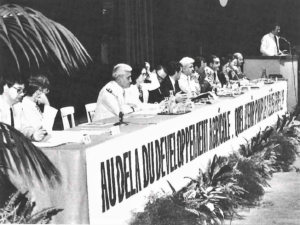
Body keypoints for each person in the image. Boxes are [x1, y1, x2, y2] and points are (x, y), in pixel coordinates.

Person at [0, 75, 47, 141]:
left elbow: (24, 127)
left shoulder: (18, 106)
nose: (22, 94)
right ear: (6, 88)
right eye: (19, 90)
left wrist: (33, 135)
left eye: (23, 90)